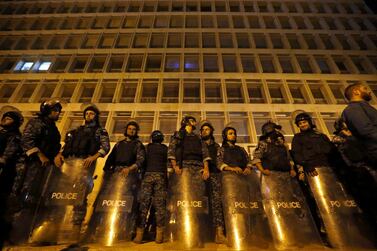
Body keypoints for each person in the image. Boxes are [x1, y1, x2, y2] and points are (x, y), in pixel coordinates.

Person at [291, 112, 376, 249]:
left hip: (329, 169)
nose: (303, 125)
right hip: (313, 170)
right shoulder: (297, 138)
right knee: (318, 202)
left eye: (304, 122)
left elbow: (333, 152)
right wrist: (305, 164)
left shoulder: (321, 136)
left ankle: (346, 230)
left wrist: (340, 167)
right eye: (300, 123)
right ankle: (326, 233)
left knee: (338, 201)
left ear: (309, 122)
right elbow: (296, 153)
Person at [253, 121, 322, 249]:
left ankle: (294, 234)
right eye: (275, 130)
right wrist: (262, 170)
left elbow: (289, 158)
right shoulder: (263, 143)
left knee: (290, 205)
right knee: (276, 205)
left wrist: (291, 169)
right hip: (271, 177)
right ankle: (278, 234)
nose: (278, 133)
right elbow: (256, 157)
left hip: (286, 177)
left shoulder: (283, 144)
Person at [54, 105, 110, 238]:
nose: (89, 115)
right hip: (68, 165)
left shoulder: (99, 131)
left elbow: (105, 147)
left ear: (96, 116)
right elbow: (67, 146)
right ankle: (53, 228)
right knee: (59, 195)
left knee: (79, 196)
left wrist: (93, 157)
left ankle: (75, 230)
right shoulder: (76, 130)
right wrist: (59, 155)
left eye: (92, 113)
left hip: (84, 165)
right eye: (87, 113)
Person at [13, 99, 62, 244]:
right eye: (54, 110)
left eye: (58, 110)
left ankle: (31, 233)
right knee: (25, 196)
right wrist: (40, 155)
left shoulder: (53, 127)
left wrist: (57, 155)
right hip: (31, 165)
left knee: (40, 198)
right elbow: (27, 140)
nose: (57, 113)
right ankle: (15, 233)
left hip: (46, 167)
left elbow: (55, 146)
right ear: (46, 110)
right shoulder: (36, 123)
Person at [89, 120, 145, 244]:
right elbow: (110, 160)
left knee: (125, 203)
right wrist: (106, 173)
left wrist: (129, 169)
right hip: (114, 175)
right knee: (104, 201)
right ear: (126, 130)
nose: (131, 130)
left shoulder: (138, 144)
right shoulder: (119, 144)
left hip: (130, 175)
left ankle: (123, 230)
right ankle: (96, 230)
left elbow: (140, 161)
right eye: (129, 128)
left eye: (134, 129)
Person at [167, 115, 210, 248]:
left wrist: (206, 168)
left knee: (197, 199)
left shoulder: (198, 137)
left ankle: (196, 233)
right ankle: (184, 232)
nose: (194, 122)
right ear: (185, 122)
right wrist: (175, 166)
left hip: (198, 168)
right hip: (184, 167)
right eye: (192, 120)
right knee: (183, 199)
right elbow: (172, 150)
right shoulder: (178, 135)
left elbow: (204, 153)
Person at [133, 130, 168, 244]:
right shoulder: (162, 148)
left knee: (148, 205)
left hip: (152, 177)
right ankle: (155, 235)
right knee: (156, 206)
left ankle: (144, 234)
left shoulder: (147, 147)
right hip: (156, 177)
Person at [200, 121, 226, 244]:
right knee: (201, 203)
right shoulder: (197, 144)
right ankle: (202, 232)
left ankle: (219, 233)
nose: (204, 131)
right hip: (200, 177)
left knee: (216, 203)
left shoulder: (216, 146)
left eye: (207, 129)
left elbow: (220, 161)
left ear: (211, 131)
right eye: (203, 129)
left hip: (215, 176)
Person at [0, 109, 23, 248]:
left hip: (6, 173)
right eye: (5, 117)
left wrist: (3, 161)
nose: (5, 119)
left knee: (3, 204)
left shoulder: (14, 136)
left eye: (9, 118)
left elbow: (8, 155)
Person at [341, 83, 377, 168]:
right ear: (356, 92)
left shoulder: (364, 107)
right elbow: (366, 130)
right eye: (365, 88)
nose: (369, 91)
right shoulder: (353, 109)